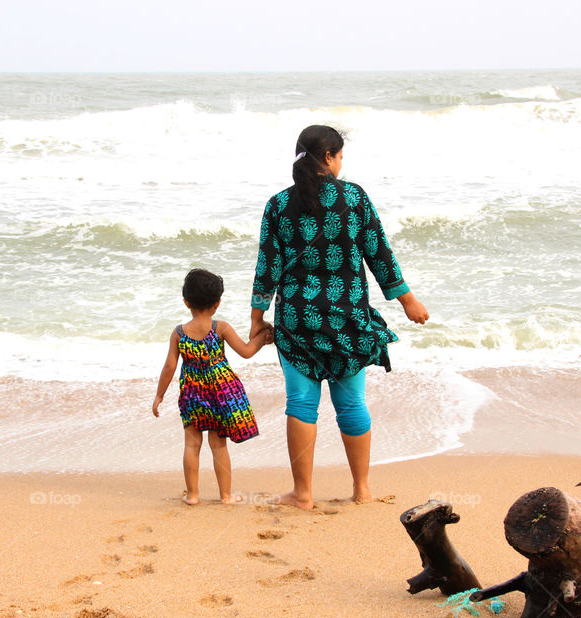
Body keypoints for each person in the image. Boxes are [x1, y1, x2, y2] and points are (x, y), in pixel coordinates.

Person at [249, 124, 429, 510]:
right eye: (341, 156)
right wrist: (406, 299)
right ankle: (362, 490)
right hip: (347, 316)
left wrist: (256, 318)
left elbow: (267, 265)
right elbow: (378, 251)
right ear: (328, 157)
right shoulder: (354, 197)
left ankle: (303, 494)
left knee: (300, 403)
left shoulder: (278, 204)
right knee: (351, 403)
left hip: (298, 318)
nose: (342, 164)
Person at [153, 268, 272, 505]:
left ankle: (194, 495)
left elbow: (169, 367)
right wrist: (265, 336)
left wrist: (159, 395)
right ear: (217, 303)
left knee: (191, 444)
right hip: (220, 394)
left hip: (192, 395)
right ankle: (226, 496)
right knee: (218, 446)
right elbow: (247, 351)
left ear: (186, 302)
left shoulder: (178, 333)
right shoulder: (221, 328)